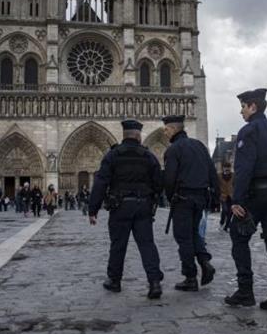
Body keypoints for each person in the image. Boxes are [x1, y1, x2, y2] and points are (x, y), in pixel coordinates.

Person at [223, 88, 267, 315]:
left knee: (238, 235)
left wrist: (237, 199)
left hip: (255, 194)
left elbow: (244, 168)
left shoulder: (248, 131)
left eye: (243, 106)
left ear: (252, 106)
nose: (240, 111)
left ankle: (245, 291)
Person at [88, 120, 164, 299]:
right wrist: (151, 198)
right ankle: (154, 283)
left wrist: (93, 209)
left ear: (124, 135)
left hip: (120, 207)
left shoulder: (113, 155)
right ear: (138, 135)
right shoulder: (148, 156)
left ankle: (114, 281)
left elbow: (101, 182)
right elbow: (159, 182)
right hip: (142, 206)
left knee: (118, 245)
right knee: (147, 245)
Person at [162, 114, 219, 293]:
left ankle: (190, 277)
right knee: (194, 233)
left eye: (166, 129)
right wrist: (214, 197)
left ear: (173, 129)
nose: (164, 133)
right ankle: (205, 262)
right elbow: (212, 173)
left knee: (183, 238)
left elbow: (169, 179)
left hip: (183, 199)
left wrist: (171, 197)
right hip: (201, 197)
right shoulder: (200, 146)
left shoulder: (172, 150)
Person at [218, 163, 234, 232]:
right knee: (225, 210)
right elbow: (217, 185)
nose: (227, 169)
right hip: (223, 196)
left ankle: (226, 226)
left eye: (228, 167)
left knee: (230, 212)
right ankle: (222, 222)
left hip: (231, 196)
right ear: (223, 168)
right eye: (225, 167)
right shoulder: (219, 175)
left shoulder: (234, 175)